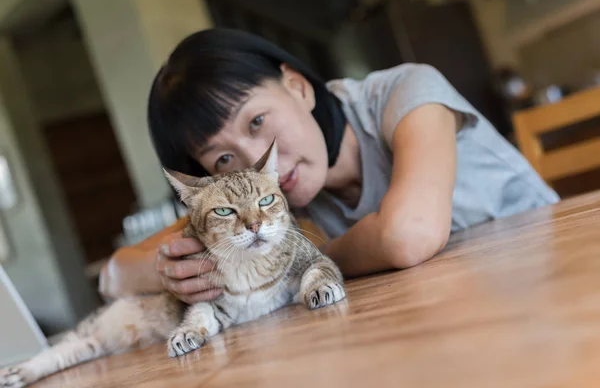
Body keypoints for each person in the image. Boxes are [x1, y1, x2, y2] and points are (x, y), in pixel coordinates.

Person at [99, 28, 559, 304]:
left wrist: (287, 267)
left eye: (257, 121)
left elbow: (406, 236)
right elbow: (115, 275)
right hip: (454, 311)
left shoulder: (406, 93)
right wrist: (167, 273)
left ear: (297, 87)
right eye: (222, 159)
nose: (262, 166)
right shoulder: (254, 202)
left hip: (561, 279)